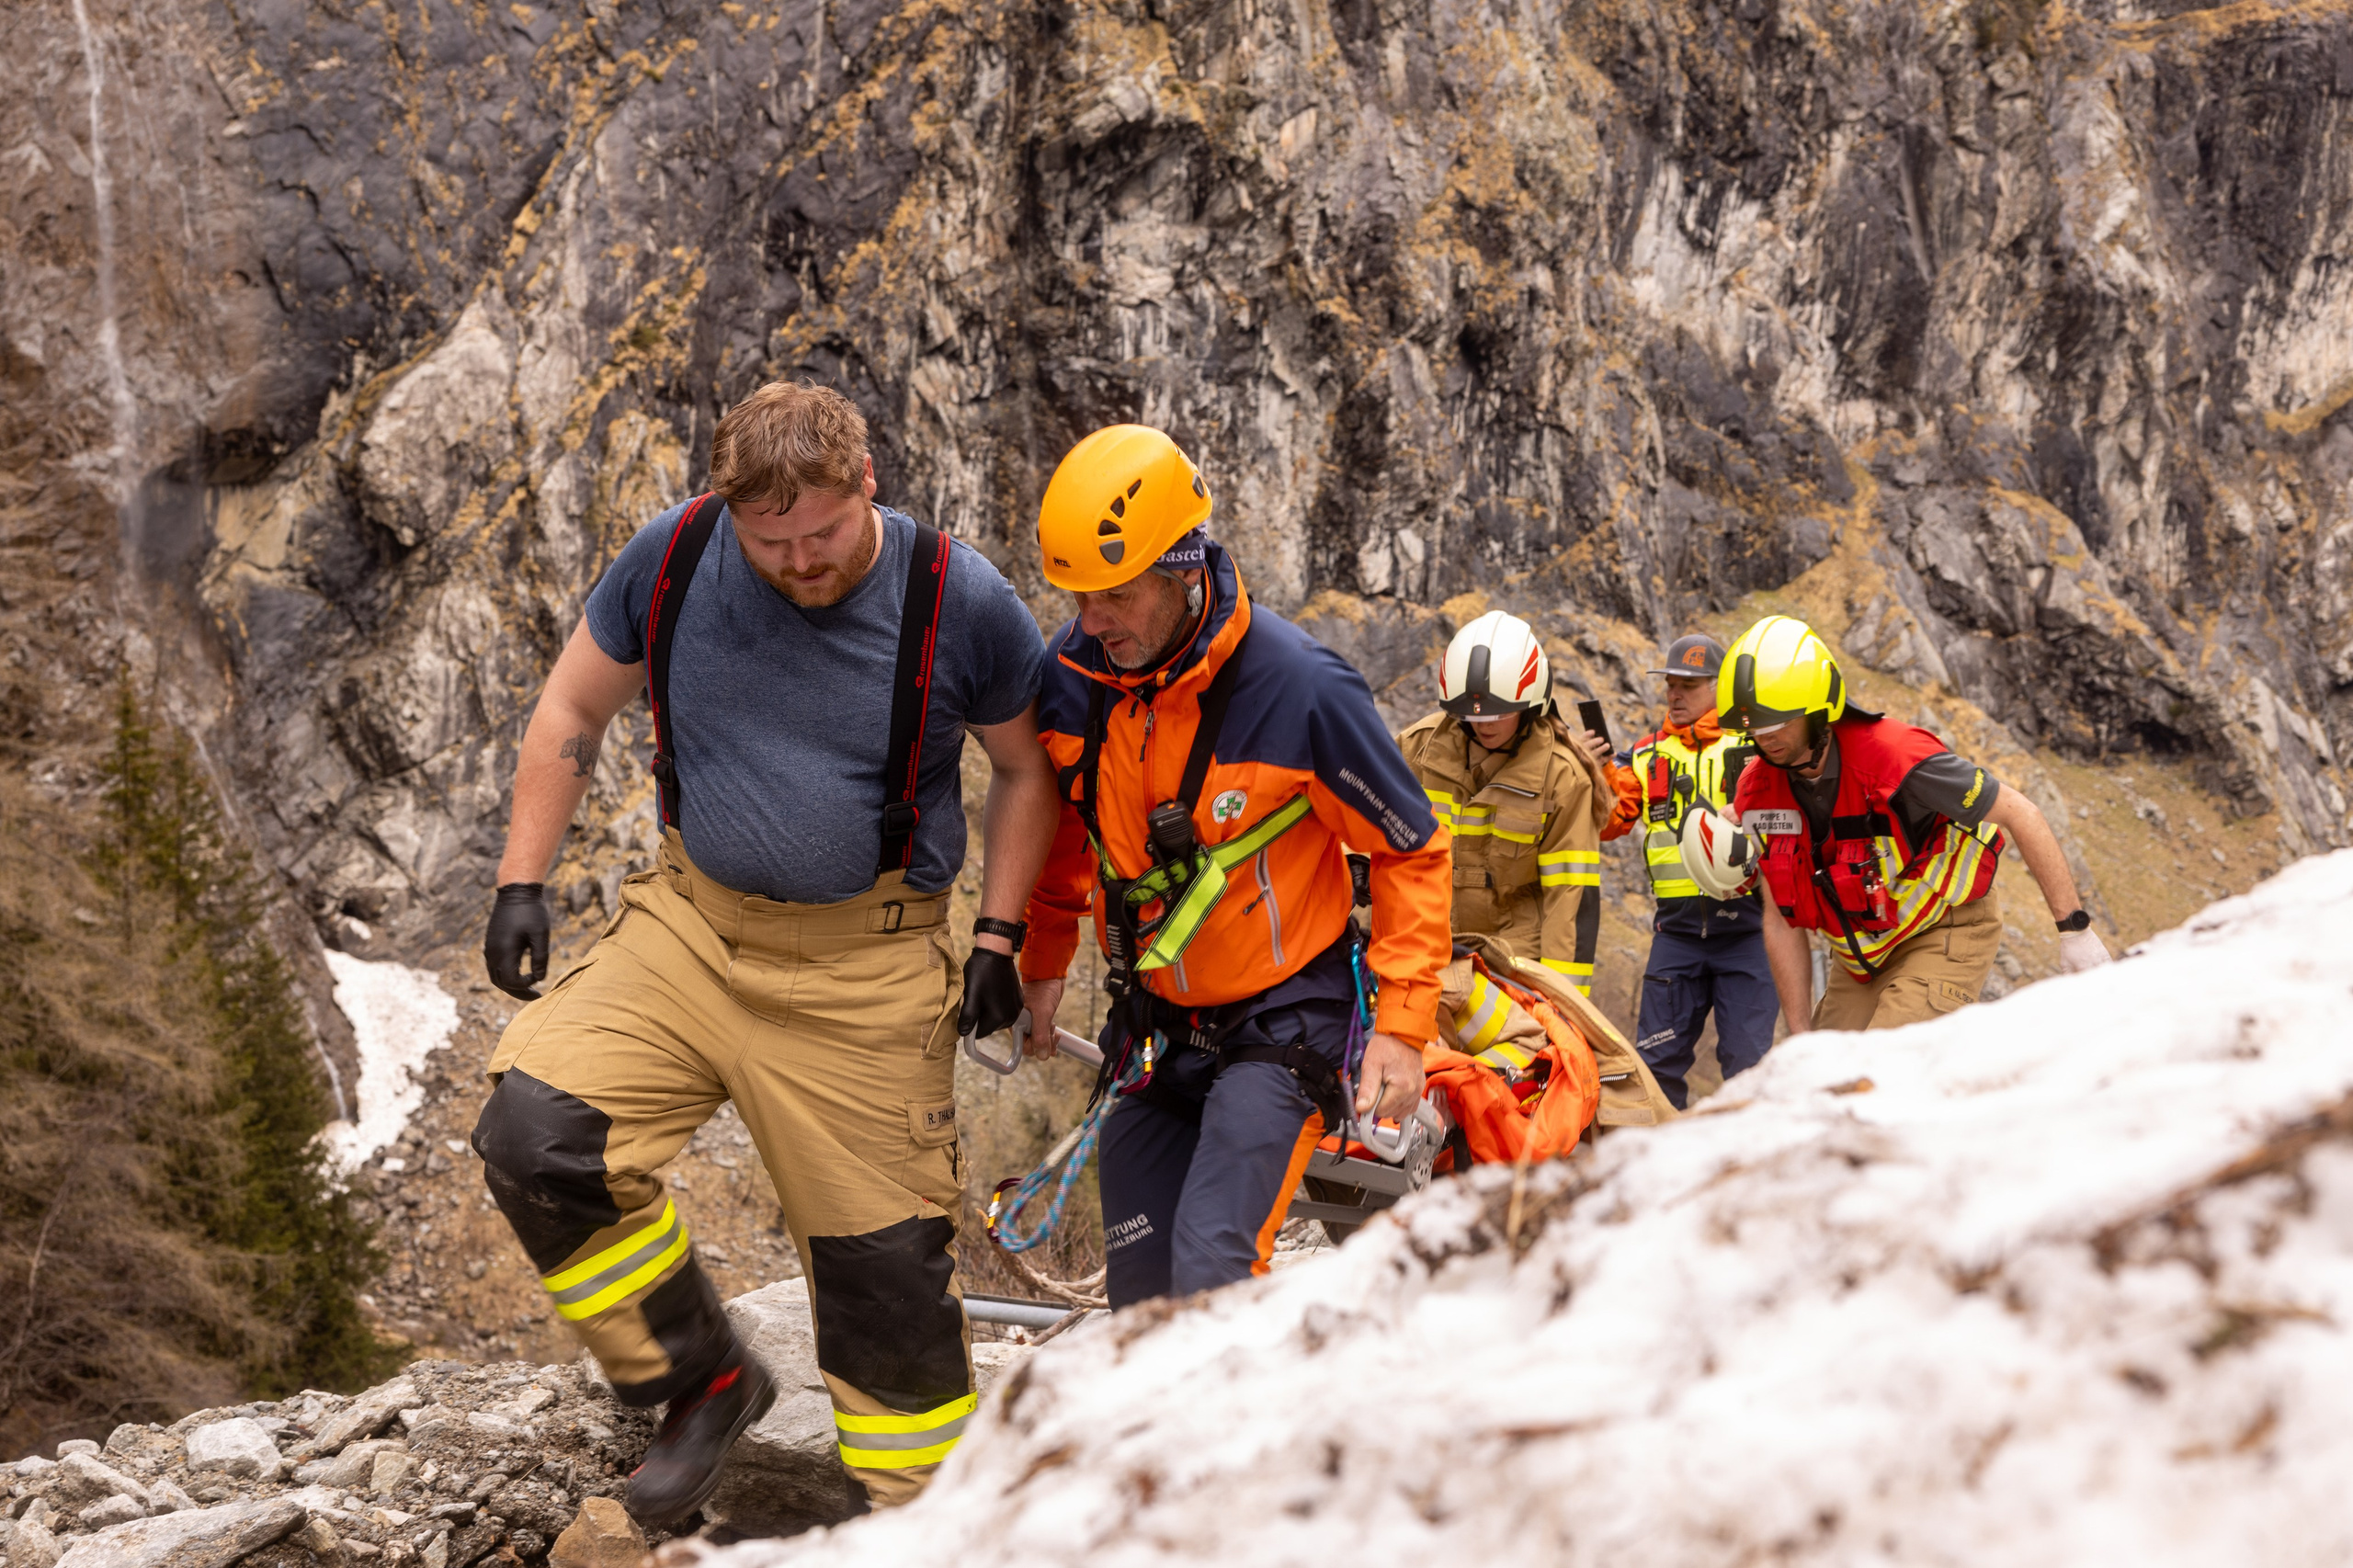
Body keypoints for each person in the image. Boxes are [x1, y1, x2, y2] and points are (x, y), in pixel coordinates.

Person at [468, 382, 1061, 1525]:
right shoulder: (679, 554)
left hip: (868, 967)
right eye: (772, 540)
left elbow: (1026, 770)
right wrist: (520, 882)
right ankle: (702, 1377)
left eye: (824, 533)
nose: (800, 561)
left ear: (868, 482)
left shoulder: (958, 596)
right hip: (689, 931)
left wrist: (997, 933)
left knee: (884, 1283)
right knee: (537, 1135)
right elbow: (571, 710)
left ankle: (924, 1526)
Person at [1013, 425, 1453, 1309]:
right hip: (1157, 1026)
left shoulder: (1301, 691)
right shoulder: (1073, 678)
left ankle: (1248, 1447)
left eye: (1115, 596)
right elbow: (1065, 841)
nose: (1090, 623)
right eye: (1078, 598)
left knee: (1213, 1267)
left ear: (1182, 572)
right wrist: (1040, 970)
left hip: (1284, 1022)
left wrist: (1404, 1027)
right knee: (1142, 1292)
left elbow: (1410, 849)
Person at [1699, 614, 2110, 1035]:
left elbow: (2021, 813)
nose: (1764, 739)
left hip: (1945, 927)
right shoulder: (1758, 793)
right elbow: (1780, 919)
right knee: (1819, 1081)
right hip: (1861, 957)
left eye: (1778, 723)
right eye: (1751, 728)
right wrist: (1801, 1036)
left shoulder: (1897, 758)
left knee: (1881, 1074)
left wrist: (2074, 931)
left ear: (1820, 711)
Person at [1598, 633, 1774, 1108]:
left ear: (1720, 687)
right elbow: (1608, 823)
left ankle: (1745, 1174)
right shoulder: (1642, 756)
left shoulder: (1759, 745)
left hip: (1750, 935)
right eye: (1671, 684)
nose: (1675, 695)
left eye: (1689, 686)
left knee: (1749, 1074)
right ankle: (1657, 1177)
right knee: (1653, 1073)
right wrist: (1592, 775)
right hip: (1675, 938)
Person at [1395, 610, 1611, 995]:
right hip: (1427, 949)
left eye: (1500, 714)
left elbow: (1570, 901)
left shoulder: (1562, 778)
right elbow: (1359, 818)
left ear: (1531, 706)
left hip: (1513, 964)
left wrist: (1565, 1005)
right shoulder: (1418, 749)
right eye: (1472, 715)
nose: (1485, 726)